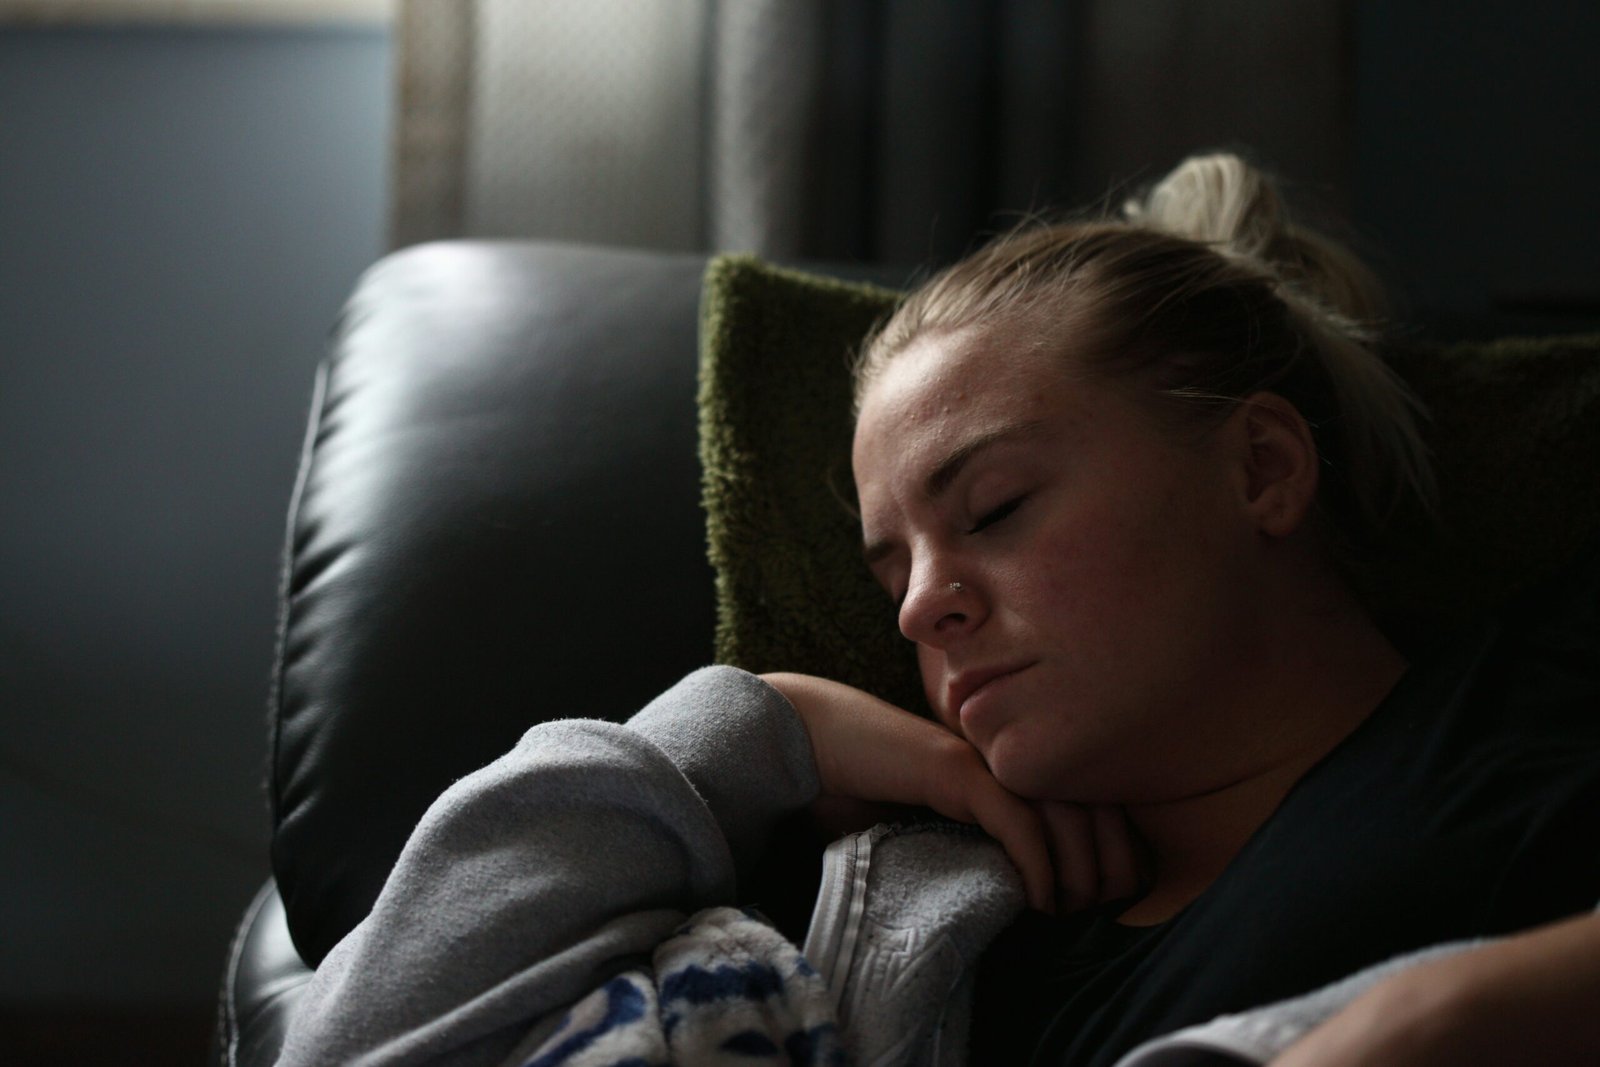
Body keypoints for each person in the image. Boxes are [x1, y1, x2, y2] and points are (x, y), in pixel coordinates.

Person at [274, 154, 1600, 1067]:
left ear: (1261, 470)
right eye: (888, 566)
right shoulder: (913, 902)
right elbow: (348, 1044)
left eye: (997, 509)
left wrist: (1438, 1023)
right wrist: (758, 726)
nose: (921, 610)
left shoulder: (1529, 712)